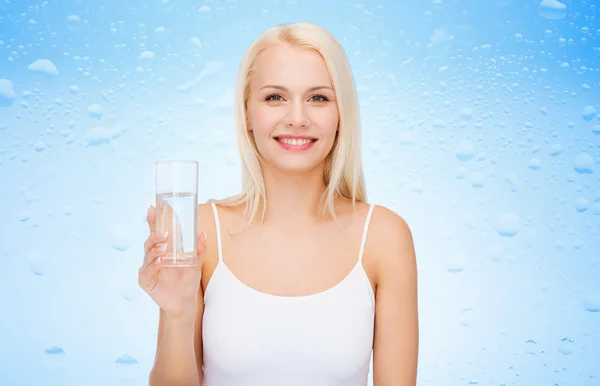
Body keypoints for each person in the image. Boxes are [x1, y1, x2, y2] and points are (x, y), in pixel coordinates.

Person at [138, 22, 419, 386]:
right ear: (246, 115)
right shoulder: (202, 232)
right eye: (275, 97)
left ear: (341, 115)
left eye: (318, 98)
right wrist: (176, 314)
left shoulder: (384, 237)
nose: (297, 118)